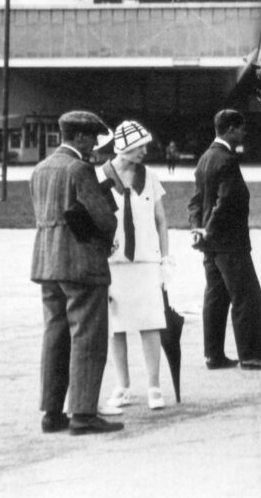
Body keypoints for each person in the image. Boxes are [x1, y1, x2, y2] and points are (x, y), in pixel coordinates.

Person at [30, 110, 124, 435]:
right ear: (81, 137)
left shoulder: (40, 169)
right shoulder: (80, 169)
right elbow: (105, 219)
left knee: (55, 335)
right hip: (81, 262)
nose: (95, 146)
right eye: (93, 138)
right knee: (87, 335)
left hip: (46, 261)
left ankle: (52, 413)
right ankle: (83, 414)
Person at [189, 109, 261, 371]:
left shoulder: (205, 158)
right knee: (247, 296)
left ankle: (214, 355)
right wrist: (209, 228)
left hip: (211, 244)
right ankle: (251, 355)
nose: (243, 133)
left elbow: (196, 200)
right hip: (229, 242)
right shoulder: (227, 160)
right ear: (230, 129)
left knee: (216, 296)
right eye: (240, 128)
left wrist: (197, 229)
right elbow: (226, 200)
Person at [98, 121, 171, 411]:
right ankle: (122, 386)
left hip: (145, 262)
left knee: (150, 324)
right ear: (125, 148)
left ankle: (154, 386)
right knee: (117, 327)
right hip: (113, 264)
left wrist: (165, 258)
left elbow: (161, 219)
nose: (144, 151)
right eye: (140, 147)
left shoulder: (149, 176)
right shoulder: (100, 176)